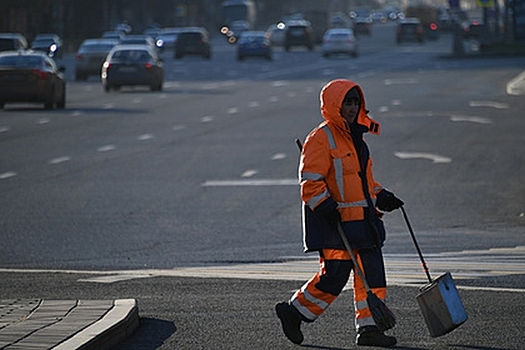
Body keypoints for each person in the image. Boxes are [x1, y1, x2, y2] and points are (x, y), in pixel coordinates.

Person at [275, 79, 404, 347]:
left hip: (364, 222)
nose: (352, 107)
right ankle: (293, 312)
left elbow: (363, 182)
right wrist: (324, 206)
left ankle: (370, 329)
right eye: (347, 102)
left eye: (356, 102)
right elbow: (310, 183)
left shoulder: (358, 137)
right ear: (335, 105)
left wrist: (382, 196)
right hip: (335, 223)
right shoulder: (320, 138)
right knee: (334, 276)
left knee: (373, 276)